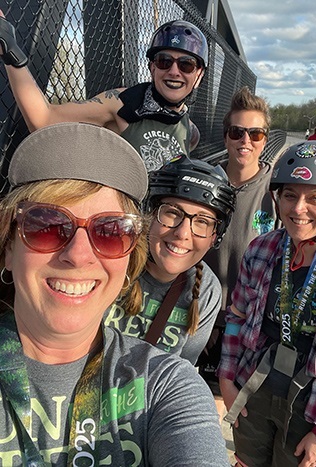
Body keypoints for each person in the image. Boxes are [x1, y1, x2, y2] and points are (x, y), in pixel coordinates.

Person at [0, 122, 230, 466]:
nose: (78, 255)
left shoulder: (168, 385)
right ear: (8, 245)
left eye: (110, 231)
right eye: (46, 225)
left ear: (127, 260)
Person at [218, 141, 316, 467]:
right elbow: (237, 316)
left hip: (315, 402)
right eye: (290, 195)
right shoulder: (263, 249)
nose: (298, 208)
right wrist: (227, 378)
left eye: (315, 198)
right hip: (257, 383)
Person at [0, 14, 207, 171]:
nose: (173, 71)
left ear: (199, 75)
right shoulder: (123, 103)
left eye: (186, 65)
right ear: (152, 67)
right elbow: (44, 119)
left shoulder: (189, 130)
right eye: (164, 61)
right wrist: (9, 49)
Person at [104, 155, 236, 365]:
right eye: (172, 213)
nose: (183, 233)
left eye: (202, 221)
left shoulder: (206, 291)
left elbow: (179, 371)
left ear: (214, 237)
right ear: (150, 215)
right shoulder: (114, 259)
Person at [197, 86, 277, 420]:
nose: (246, 141)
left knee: (243, 411)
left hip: (250, 324)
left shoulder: (278, 190)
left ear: (265, 139)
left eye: (255, 134)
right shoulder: (205, 183)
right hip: (201, 317)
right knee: (204, 403)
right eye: (237, 132)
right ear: (227, 137)